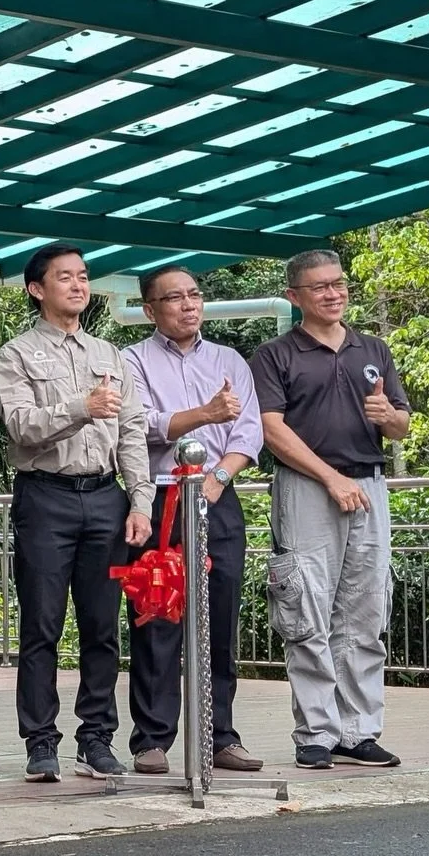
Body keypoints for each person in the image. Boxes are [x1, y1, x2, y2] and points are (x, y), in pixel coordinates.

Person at [0, 244, 153, 784]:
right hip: (45, 496)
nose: (78, 285)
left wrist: (140, 500)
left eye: (83, 277)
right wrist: (80, 407)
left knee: (102, 626)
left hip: (106, 497)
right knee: (40, 624)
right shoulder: (15, 354)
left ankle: (96, 738)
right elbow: (20, 426)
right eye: (65, 277)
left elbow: (131, 433)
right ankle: (40, 742)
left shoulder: (110, 354)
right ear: (37, 289)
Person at [250, 249, 410, 770]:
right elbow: (271, 429)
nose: (333, 293)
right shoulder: (276, 355)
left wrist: (390, 416)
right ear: (295, 297)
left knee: (365, 613)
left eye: (338, 283)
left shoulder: (373, 348)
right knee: (307, 611)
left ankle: (359, 731)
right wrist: (330, 477)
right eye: (319, 287)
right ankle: (316, 731)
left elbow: (401, 425)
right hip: (306, 490)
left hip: (370, 486)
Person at [121, 265, 264, 775]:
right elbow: (142, 426)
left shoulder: (229, 359)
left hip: (217, 495)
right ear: (150, 309)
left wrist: (219, 478)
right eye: (174, 297)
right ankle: (152, 739)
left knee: (220, 614)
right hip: (158, 498)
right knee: (157, 614)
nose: (188, 305)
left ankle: (219, 734)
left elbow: (249, 432)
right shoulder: (131, 360)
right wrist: (203, 414)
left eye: (194, 294)